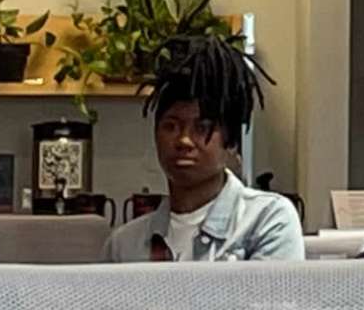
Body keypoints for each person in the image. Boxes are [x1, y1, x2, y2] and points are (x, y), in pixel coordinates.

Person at [112, 33, 300, 262]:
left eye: (202, 128)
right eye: (171, 126)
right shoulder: (124, 244)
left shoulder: (267, 220)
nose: (184, 140)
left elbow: (270, 297)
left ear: (230, 142)